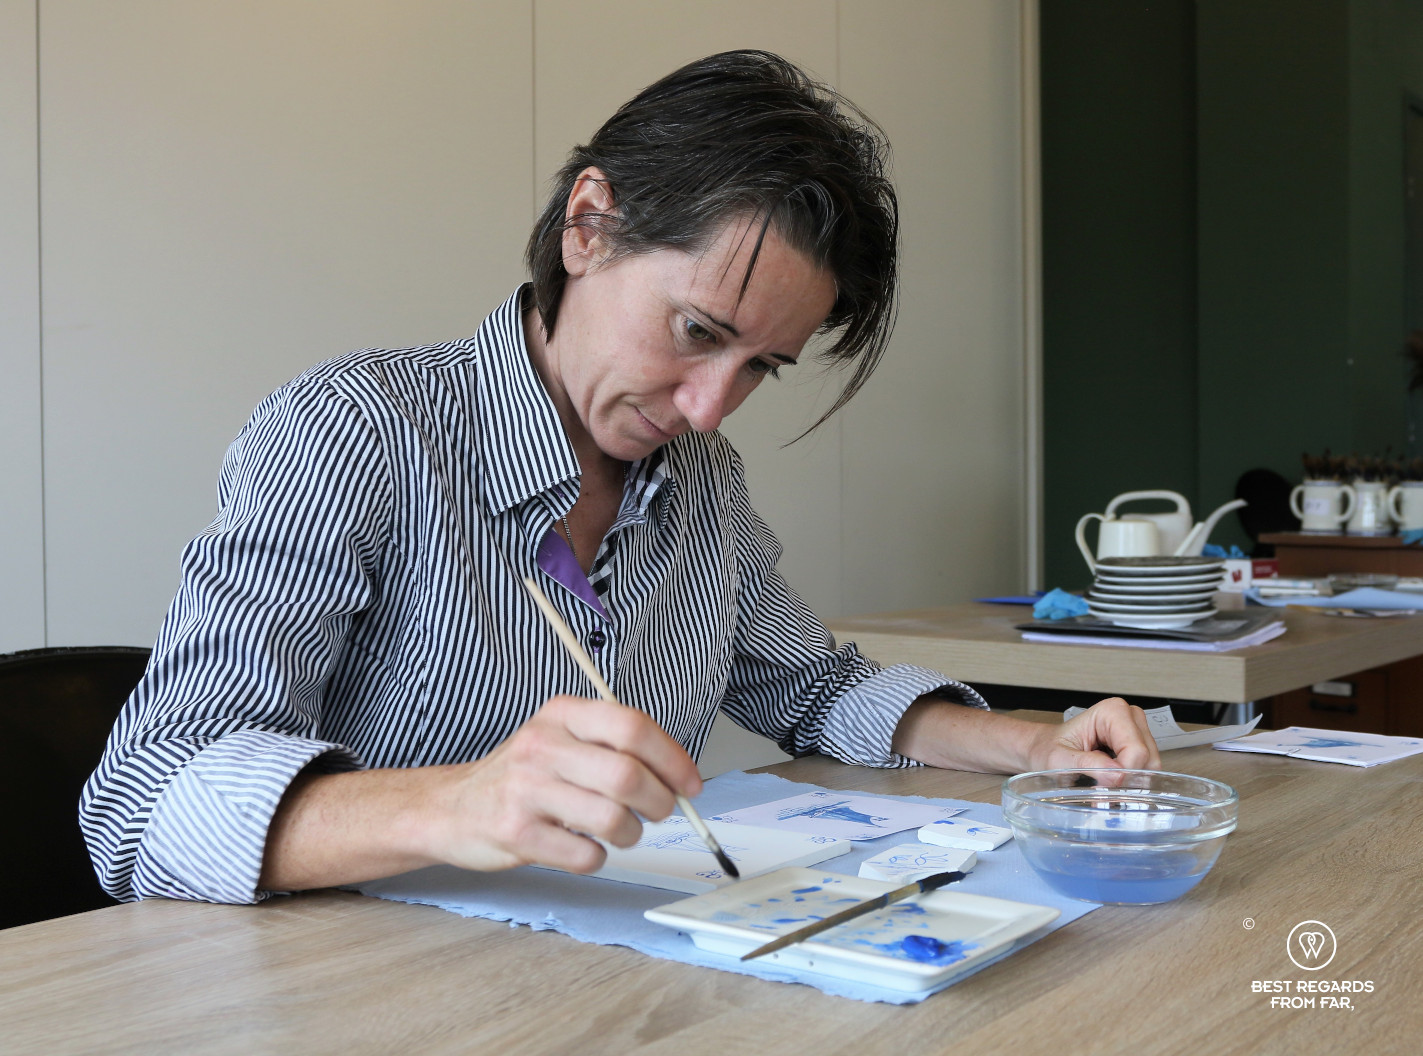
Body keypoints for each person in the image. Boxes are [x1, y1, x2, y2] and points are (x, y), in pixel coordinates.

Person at [81, 50, 1159, 906]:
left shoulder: (702, 483)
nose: (706, 407)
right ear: (588, 225)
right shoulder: (358, 433)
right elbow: (142, 802)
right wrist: (459, 804)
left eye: (758, 369)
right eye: (696, 331)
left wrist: (1037, 745)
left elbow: (813, 687)